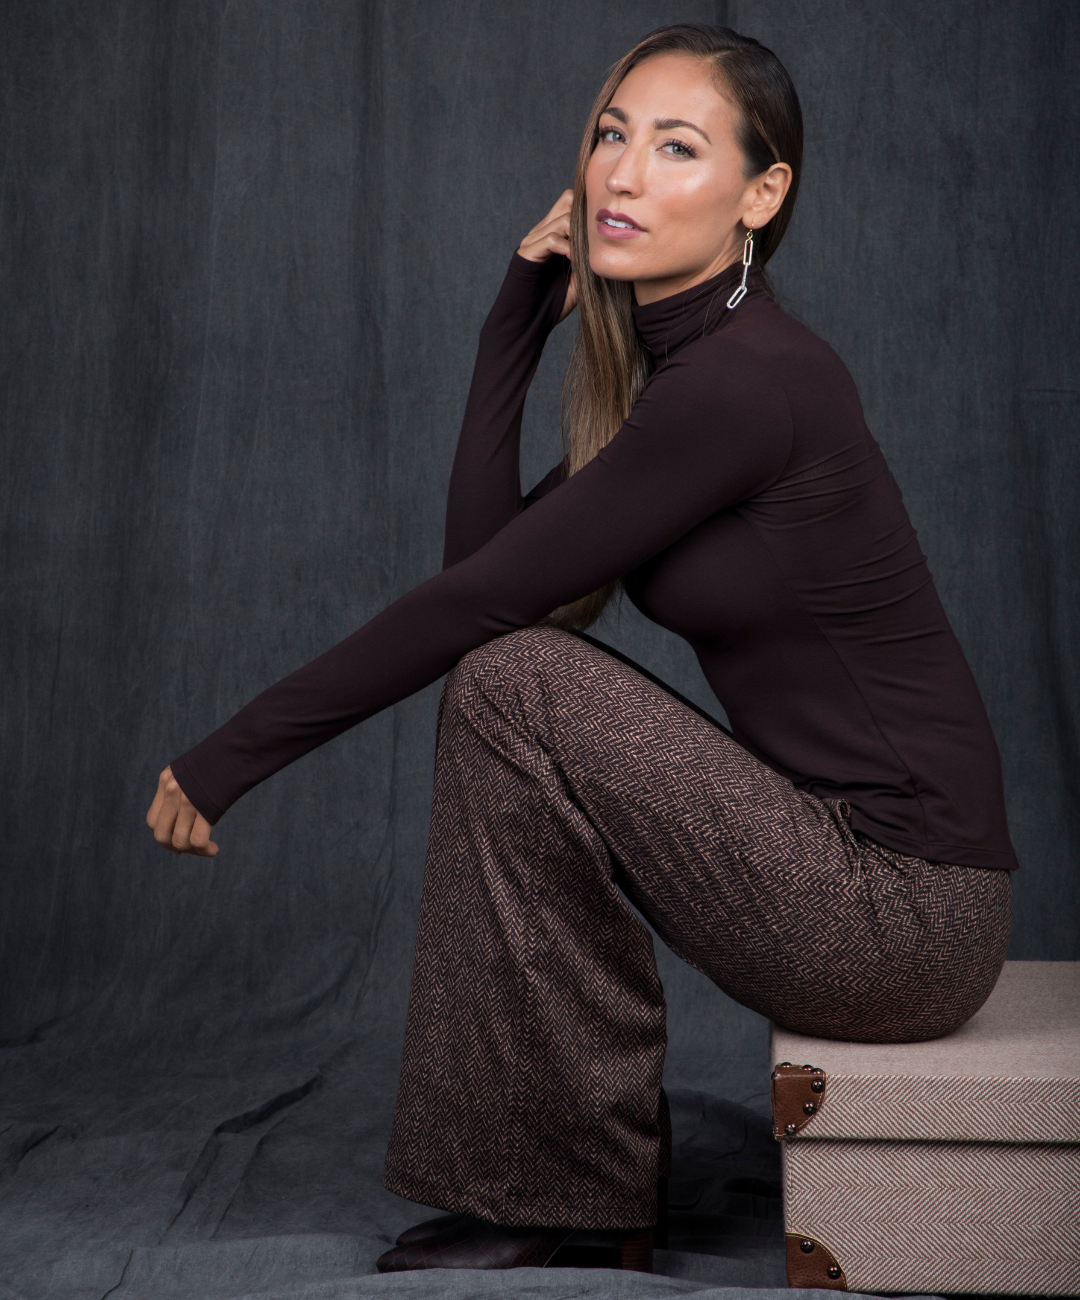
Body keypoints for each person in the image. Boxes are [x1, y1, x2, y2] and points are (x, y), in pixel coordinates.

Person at [146, 23, 1016, 1273]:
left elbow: (473, 613)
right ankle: (567, 1185)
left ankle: (575, 1188)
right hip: (848, 874)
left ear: (760, 197)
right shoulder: (688, 380)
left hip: (903, 916)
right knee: (512, 677)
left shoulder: (747, 385)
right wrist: (516, 319)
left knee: (516, 682)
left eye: (677, 147)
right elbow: (490, 572)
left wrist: (227, 758)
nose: (620, 173)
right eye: (612, 134)